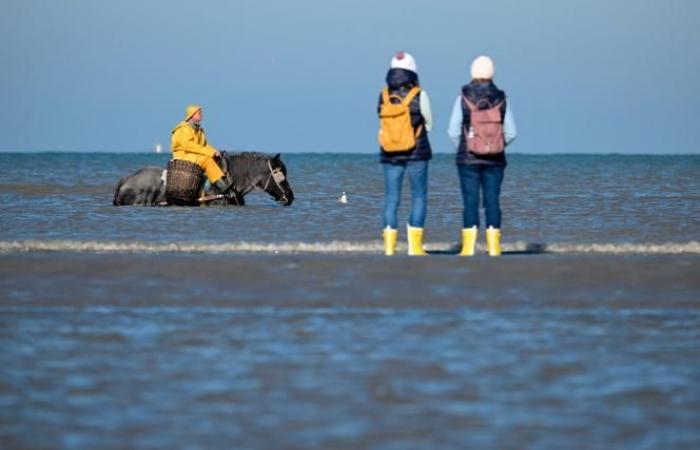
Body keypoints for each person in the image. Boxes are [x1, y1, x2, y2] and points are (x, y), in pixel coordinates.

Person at [447, 56, 517, 256]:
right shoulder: (502, 98)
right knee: (492, 201)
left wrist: (464, 147)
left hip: (468, 159)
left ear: (472, 73)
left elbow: (453, 131)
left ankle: (468, 249)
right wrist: (495, 146)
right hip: (495, 160)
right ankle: (494, 248)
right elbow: (511, 132)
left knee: (470, 201)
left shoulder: (463, 97)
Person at [378, 52, 433, 256]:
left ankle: (389, 249)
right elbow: (431, 123)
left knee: (391, 198)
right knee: (418, 196)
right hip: (417, 151)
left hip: (389, 152)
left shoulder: (383, 94)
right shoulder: (419, 94)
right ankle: (415, 248)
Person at [171, 104, 234, 196]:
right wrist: (209, 153)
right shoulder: (184, 129)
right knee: (206, 160)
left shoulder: (200, 131)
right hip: (183, 155)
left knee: (216, 159)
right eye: (199, 113)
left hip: (193, 155)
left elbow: (204, 145)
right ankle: (223, 188)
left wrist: (215, 151)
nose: (202, 115)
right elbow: (188, 145)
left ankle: (218, 183)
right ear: (192, 115)